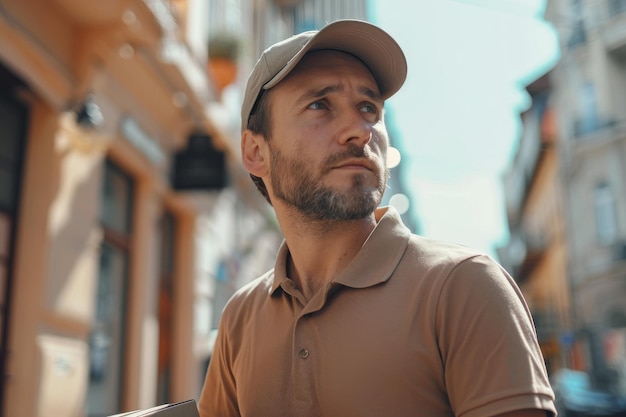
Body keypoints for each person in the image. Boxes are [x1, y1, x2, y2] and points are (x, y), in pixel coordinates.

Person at [198, 19, 557, 417]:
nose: (359, 130)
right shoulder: (239, 318)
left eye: (369, 108)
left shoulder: (464, 286)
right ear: (255, 151)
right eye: (320, 105)